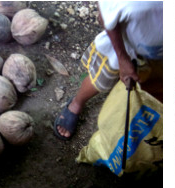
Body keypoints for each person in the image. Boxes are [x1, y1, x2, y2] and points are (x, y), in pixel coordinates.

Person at [54, 2, 163, 140]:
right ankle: (77, 103)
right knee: (100, 81)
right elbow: (104, 14)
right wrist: (122, 58)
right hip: (122, 49)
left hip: (157, 55)